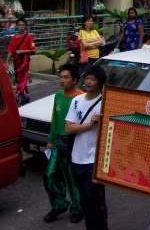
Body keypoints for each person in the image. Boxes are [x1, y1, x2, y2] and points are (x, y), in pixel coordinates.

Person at [65, 66, 106, 230]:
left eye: (93, 79)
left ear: (100, 83)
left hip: (93, 161)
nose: (88, 82)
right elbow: (69, 127)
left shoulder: (105, 103)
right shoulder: (77, 100)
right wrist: (89, 125)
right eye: (87, 78)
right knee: (85, 202)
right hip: (76, 159)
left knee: (96, 203)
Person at [44, 64, 83, 224]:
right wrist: (50, 140)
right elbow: (55, 119)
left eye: (66, 77)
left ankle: (77, 208)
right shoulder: (58, 96)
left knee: (71, 179)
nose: (62, 80)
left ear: (75, 80)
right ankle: (59, 204)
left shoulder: (81, 97)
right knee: (49, 175)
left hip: (73, 143)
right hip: (57, 142)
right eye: (60, 77)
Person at [6, 17, 36, 105]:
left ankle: (18, 93)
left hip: (25, 60)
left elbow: (33, 49)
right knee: (18, 77)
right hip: (16, 60)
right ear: (16, 26)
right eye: (19, 25)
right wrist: (7, 62)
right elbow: (10, 50)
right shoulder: (13, 38)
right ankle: (24, 95)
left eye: (23, 25)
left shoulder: (29, 37)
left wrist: (22, 51)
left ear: (25, 26)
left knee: (23, 76)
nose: (21, 27)